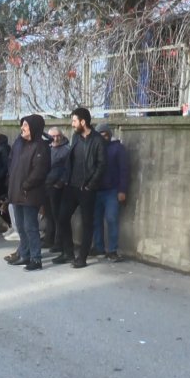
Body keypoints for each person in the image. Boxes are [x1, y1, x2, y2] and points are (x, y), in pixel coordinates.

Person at [51, 107, 107, 269]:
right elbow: (70, 161)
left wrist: (91, 185)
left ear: (83, 122)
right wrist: (64, 180)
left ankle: (82, 257)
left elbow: (102, 165)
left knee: (87, 223)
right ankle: (68, 252)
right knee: (62, 218)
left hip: (87, 188)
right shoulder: (75, 137)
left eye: (74, 121)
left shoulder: (97, 140)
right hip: (71, 186)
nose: (72, 124)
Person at [6, 115, 51, 271]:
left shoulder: (41, 146)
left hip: (30, 193)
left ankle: (36, 258)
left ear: (34, 127)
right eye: (22, 125)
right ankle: (24, 254)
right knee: (20, 226)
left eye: (25, 125)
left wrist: (26, 185)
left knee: (30, 227)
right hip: (16, 192)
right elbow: (11, 163)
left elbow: (40, 171)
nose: (22, 128)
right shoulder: (18, 143)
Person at [91, 124, 130, 263]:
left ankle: (112, 250)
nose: (103, 138)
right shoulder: (94, 148)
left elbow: (124, 170)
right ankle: (99, 247)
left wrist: (122, 190)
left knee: (111, 219)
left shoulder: (118, 148)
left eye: (105, 135)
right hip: (96, 190)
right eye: (100, 135)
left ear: (109, 134)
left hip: (112, 191)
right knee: (96, 220)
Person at [44, 127, 70, 251]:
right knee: (48, 215)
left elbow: (68, 168)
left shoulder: (66, 150)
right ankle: (49, 239)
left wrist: (60, 182)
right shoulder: (47, 148)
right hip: (46, 185)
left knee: (57, 216)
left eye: (58, 135)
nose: (55, 138)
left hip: (57, 187)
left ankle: (59, 243)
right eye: (53, 136)